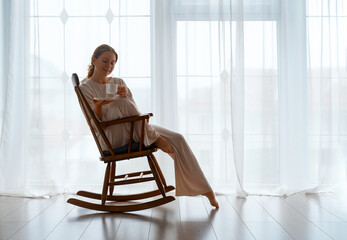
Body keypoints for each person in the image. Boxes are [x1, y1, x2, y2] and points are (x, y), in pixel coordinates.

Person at [80, 44, 219, 208]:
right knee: (125, 104)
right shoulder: (85, 88)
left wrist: (127, 94)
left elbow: (135, 111)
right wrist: (99, 105)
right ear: (94, 60)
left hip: (134, 128)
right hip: (110, 136)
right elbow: (97, 123)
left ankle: (206, 190)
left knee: (178, 139)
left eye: (112, 63)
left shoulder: (118, 82)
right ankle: (156, 139)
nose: (108, 66)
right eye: (105, 61)